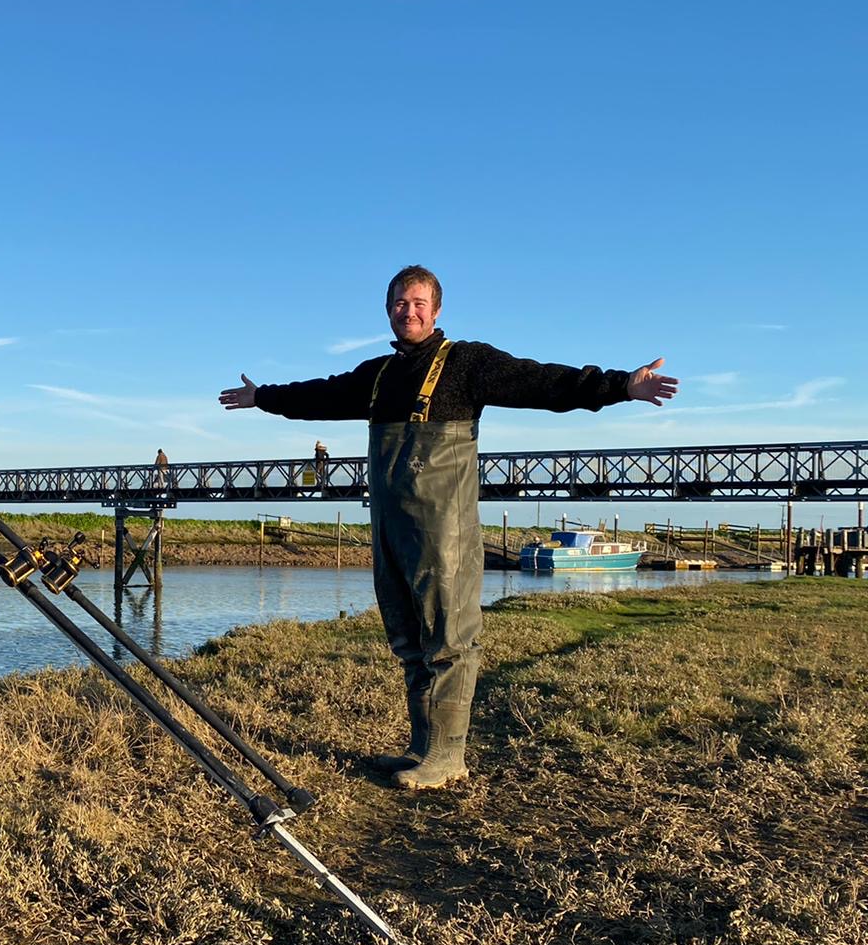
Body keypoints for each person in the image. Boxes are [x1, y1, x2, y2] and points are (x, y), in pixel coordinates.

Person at [219, 265, 676, 789]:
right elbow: (321, 394)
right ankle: (421, 747)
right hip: (391, 522)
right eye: (398, 303)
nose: (407, 311)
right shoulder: (379, 376)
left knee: (448, 635)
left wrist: (621, 385)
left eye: (417, 303)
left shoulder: (466, 363)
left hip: (444, 529)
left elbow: (545, 382)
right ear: (387, 310)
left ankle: (447, 756)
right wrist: (265, 398)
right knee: (407, 634)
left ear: (436, 311)